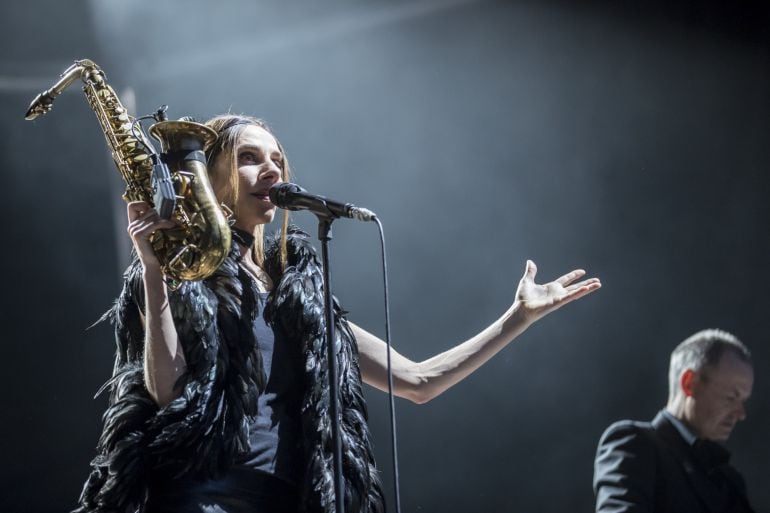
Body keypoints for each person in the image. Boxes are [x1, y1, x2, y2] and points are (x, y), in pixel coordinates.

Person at [74, 114, 601, 513]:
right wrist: (152, 271)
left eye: (277, 158)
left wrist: (519, 317)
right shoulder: (179, 273)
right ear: (207, 178)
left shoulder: (298, 299)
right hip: (202, 496)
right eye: (249, 157)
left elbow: (417, 380)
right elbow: (169, 395)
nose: (272, 168)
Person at [593, 329, 755, 513]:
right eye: (731, 397)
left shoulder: (730, 479)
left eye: (743, 401)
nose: (741, 413)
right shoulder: (635, 444)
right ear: (689, 383)